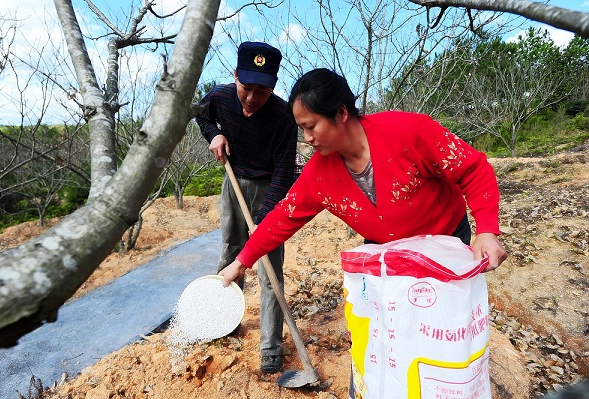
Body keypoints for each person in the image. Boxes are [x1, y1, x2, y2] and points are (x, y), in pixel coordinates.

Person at [217, 68, 508, 387]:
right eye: (302, 129)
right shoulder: (319, 173)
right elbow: (282, 218)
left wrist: (487, 230)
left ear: (341, 112)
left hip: (443, 244)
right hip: (383, 253)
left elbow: (473, 169)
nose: (308, 138)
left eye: (311, 126)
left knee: (435, 330)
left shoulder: (408, 132)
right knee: (384, 335)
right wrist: (240, 262)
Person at [195, 42, 298, 374]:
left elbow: (284, 173)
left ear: (274, 84)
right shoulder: (221, 98)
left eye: (262, 90)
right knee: (229, 253)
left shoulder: (284, 117)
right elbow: (201, 113)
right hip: (234, 181)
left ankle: (271, 347)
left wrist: (265, 219)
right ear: (236, 75)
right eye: (247, 87)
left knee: (269, 268)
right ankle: (224, 322)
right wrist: (213, 134)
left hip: (270, 187)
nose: (253, 97)